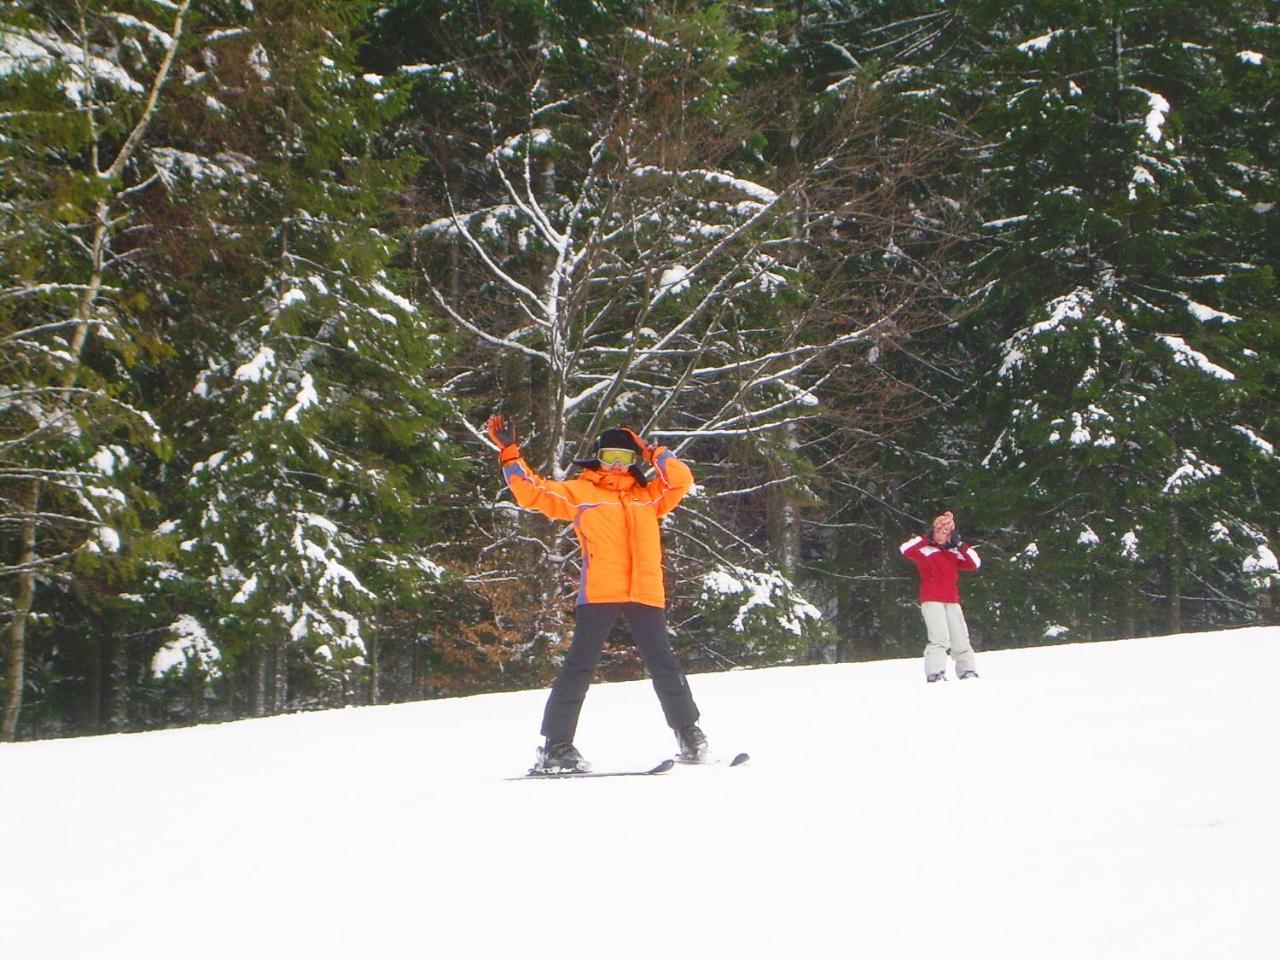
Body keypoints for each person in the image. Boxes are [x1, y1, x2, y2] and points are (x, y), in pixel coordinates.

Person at [485, 414, 709, 773]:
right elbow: (531, 492)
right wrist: (511, 454)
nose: (618, 466)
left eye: (626, 458)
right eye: (610, 458)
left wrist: (654, 453)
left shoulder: (648, 497)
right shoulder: (581, 492)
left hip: (645, 590)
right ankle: (555, 746)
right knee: (580, 667)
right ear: (597, 458)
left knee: (664, 664)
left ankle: (689, 735)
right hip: (600, 591)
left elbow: (681, 479)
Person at [899, 510, 981, 683]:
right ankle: (935, 673)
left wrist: (960, 545)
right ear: (933, 530)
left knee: (960, 638)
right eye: (938, 531)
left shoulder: (953, 552)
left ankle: (967, 671)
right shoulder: (924, 549)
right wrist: (925, 538)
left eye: (945, 532)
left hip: (952, 600)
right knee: (939, 638)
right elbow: (905, 549)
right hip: (931, 599)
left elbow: (974, 563)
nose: (941, 535)